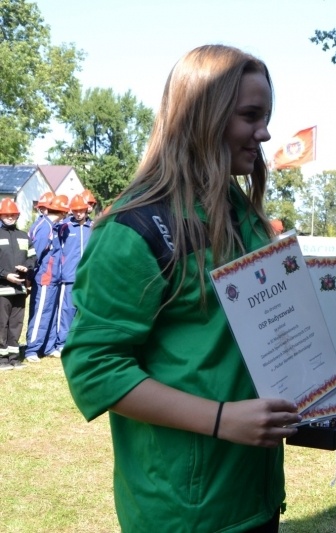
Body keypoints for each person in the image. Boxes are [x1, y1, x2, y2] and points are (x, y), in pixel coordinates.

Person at [61, 45, 305, 532]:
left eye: (266, 116)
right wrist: (220, 419)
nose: (265, 132)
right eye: (251, 116)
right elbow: (95, 368)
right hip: (185, 509)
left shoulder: (245, 216)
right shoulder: (136, 228)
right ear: (203, 116)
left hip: (251, 491)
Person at [25, 194, 69, 362]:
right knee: (41, 314)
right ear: (62, 212)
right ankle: (32, 349)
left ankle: (48, 347)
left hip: (54, 279)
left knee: (51, 314)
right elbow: (34, 256)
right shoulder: (45, 228)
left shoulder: (54, 227)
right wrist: (29, 278)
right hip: (44, 278)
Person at [52, 194, 93, 353]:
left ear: (86, 209)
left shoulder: (93, 227)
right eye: (75, 211)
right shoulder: (65, 226)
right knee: (67, 310)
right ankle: (62, 343)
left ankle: (83, 341)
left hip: (88, 277)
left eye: (81, 210)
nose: (78, 213)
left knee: (85, 310)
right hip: (69, 276)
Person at [0, 199, 34, 371]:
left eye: (12, 214)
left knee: (16, 324)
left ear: (17, 215)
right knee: (1, 324)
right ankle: (1, 359)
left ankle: (14, 357)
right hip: (2, 289)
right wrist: (6, 275)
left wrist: (27, 267)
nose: (10, 217)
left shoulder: (24, 236)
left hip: (19, 289)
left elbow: (33, 257)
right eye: (6, 214)